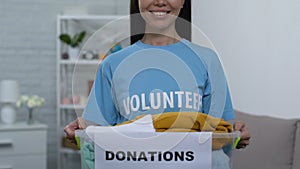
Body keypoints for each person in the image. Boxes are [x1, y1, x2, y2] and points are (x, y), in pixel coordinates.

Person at [65, 0, 250, 156]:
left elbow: (220, 132)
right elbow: (96, 134)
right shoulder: (112, 63)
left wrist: (235, 134)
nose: (160, 1)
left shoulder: (207, 59)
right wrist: (81, 133)